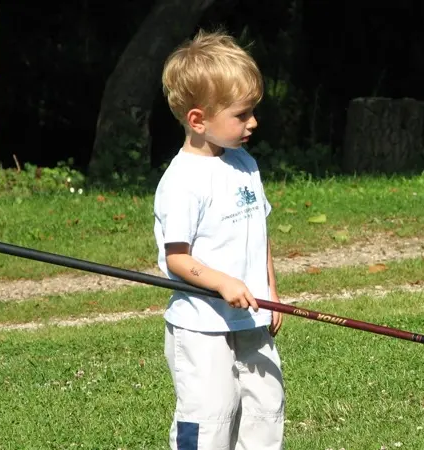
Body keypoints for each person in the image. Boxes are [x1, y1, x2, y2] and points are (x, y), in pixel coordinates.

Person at [153, 29, 285, 450]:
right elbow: (177, 259)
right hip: (202, 324)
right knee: (210, 415)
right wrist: (221, 282)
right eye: (242, 114)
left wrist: (271, 291)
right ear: (198, 119)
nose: (253, 123)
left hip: (252, 317)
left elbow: (259, 231)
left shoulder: (245, 163)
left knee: (267, 405)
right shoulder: (183, 181)